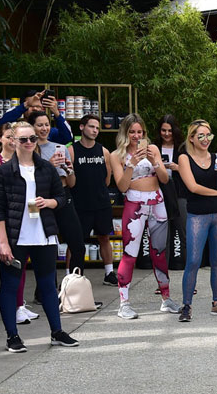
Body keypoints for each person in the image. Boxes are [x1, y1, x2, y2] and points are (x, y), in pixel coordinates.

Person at [0, 120, 80, 352]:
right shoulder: (2, 172)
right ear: (13, 141)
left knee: (48, 286)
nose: (29, 143)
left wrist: (48, 202)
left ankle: (57, 332)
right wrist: (3, 244)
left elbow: (61, 197)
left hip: (44, 236)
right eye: (23, 139)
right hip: (14, 238)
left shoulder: (46, 168)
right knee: (9, 287)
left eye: (32, 138)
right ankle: (12, 336)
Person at [108, 113, 182, 319]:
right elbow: (122, 186)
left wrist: (155, 161)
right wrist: (132, 164)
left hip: (157, 202)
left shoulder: (153, 149)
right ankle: (124, 303)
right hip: (134, 203)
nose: (136, 135)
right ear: (125, 133)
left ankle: (166, 299)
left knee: (159, 252)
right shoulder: (117, 155)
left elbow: (165, 179)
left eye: (139, 132)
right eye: (132, 132)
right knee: (130, 254)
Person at [176, 119, 217, 322]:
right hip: (197, 215)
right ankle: (186, 305)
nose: (205, 139)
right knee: (193, 261)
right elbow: (192, 187)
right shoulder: (184, 158)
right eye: (200, 135)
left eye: (208, 135)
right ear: (191, 138)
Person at [0, 122, 38, 326]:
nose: (13, 141)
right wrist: (4, 185)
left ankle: (20, 305)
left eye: (15, 138)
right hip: (5, 219)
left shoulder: (25, 159)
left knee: (24, 264)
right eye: (8, 137)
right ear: (1, 139)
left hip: (28, 217)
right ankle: (12, 309)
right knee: (11, 265)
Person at [28, 109, 87, 279]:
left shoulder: (60, 147)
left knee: (77, 244)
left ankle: (74, 288)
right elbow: (29, 176)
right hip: (41, 198)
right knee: (46, 248)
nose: (44, 128)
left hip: (64, 195)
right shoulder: (29, 149)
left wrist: (69, 169)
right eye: (40, 125)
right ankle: (46, 291)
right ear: (32, 127)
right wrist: (49, 164)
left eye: (47, 124)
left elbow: (72, 183)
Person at [68, 114, 116, 286]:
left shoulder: (103, 151)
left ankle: (109, 273)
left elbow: (107, 179)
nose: (95, 130)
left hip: (101, 203)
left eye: (97, 128)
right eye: (91, 127)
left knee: (104, 237)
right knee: (76, 242)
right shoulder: (72, 150)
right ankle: (70, 276)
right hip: (80, 205)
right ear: (82, 127)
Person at [156, 114, 187, 270]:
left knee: (182, 231)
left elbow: (193, 172)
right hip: (159, 192)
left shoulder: (183, 148)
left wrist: (178, 168)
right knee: (162, 234)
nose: (166, 134)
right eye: (163, 130)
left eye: (169, 130)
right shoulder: (154, 146)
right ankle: (162, 274)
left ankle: (186, 271)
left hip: (179, 192)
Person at [0, 89, 72, 144]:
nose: (35, 109)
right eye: (31, 106)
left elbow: (67, 138)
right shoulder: (17, 129)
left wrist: (56, 113)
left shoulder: (48, 131)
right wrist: (26, 104)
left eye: (38, 106)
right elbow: (1, 125)